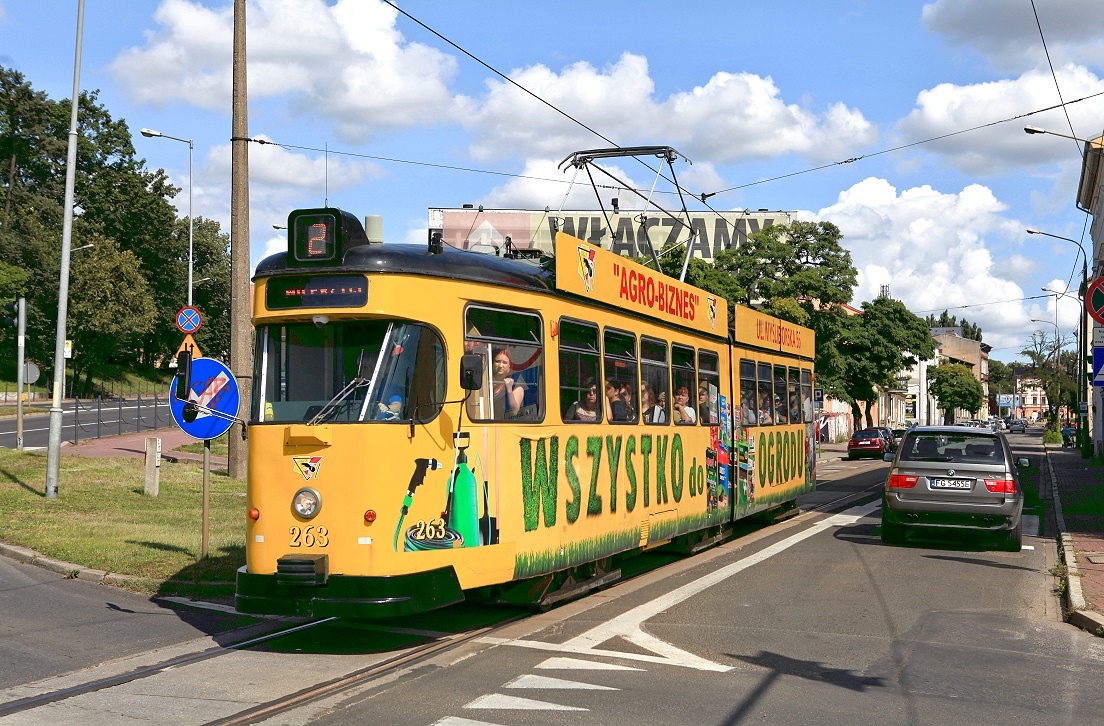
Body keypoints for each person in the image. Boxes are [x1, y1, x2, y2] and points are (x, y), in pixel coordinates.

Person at [491, 347, 525, 419]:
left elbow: (514, 411)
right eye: (497, 361)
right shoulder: (486, 381)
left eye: (505, 362)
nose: (500, 365)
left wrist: (509, 390)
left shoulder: (516, 384)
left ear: (509, 367)